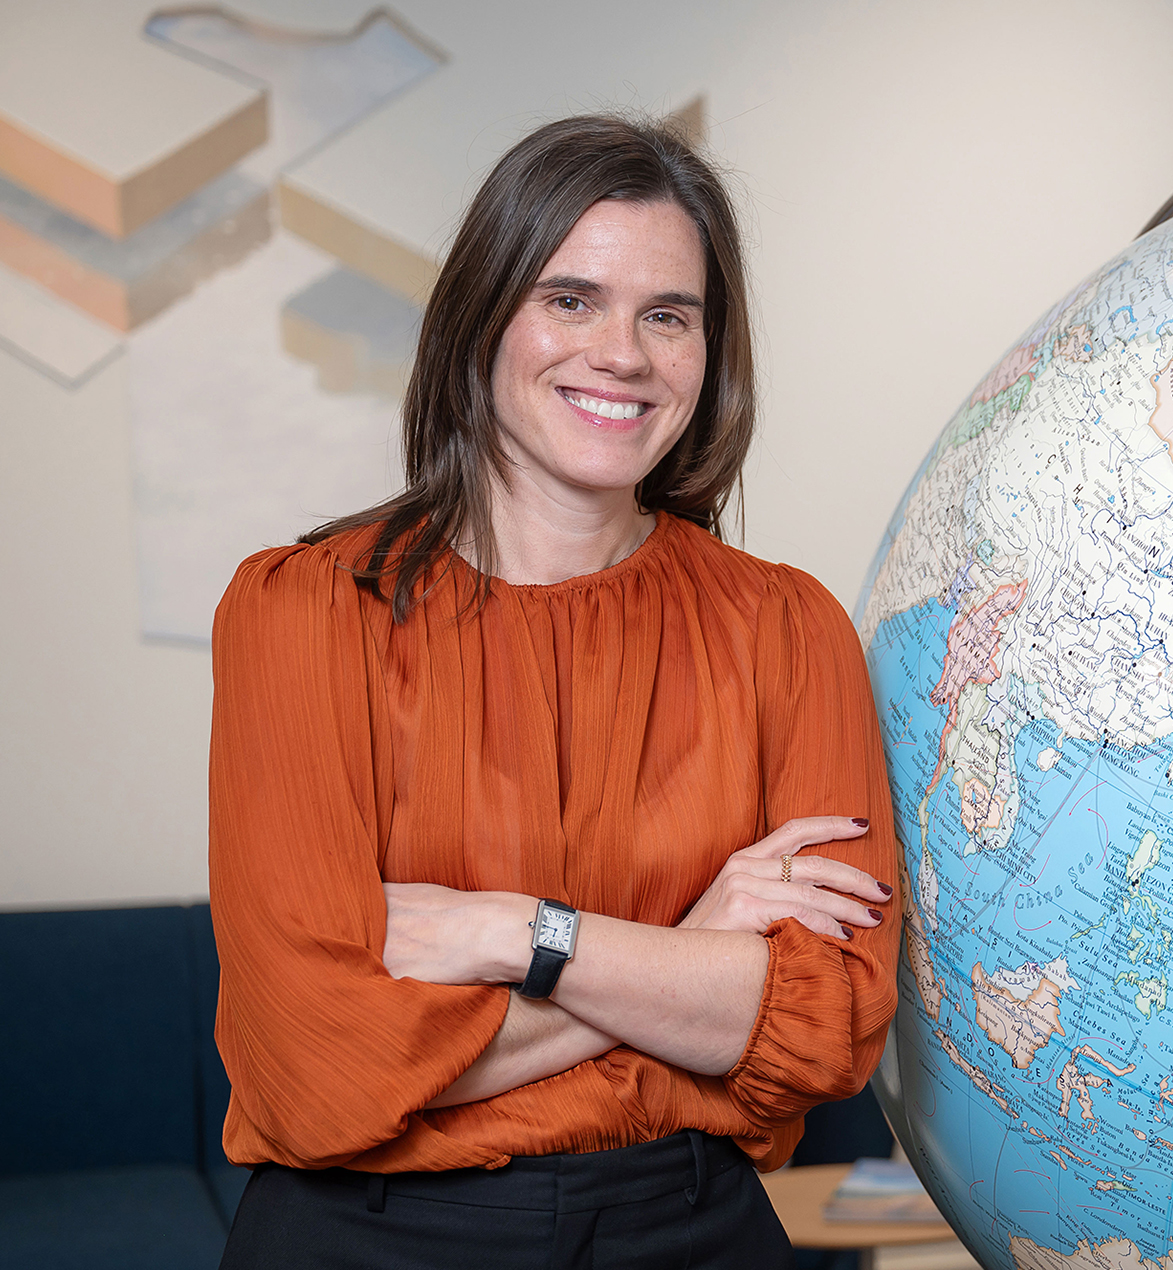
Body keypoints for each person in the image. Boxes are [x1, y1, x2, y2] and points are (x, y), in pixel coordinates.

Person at [209, 114, 899, 1268]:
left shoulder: (787, 628)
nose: (622, 353)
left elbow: (825, 1031)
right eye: (570, 299)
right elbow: (314, 1072)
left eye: (666, 315)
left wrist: (507, 933)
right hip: (367, 1240)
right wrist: (685, 961)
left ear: (706, 353)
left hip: (693, 1230)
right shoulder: (304, 611)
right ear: (483, 321)